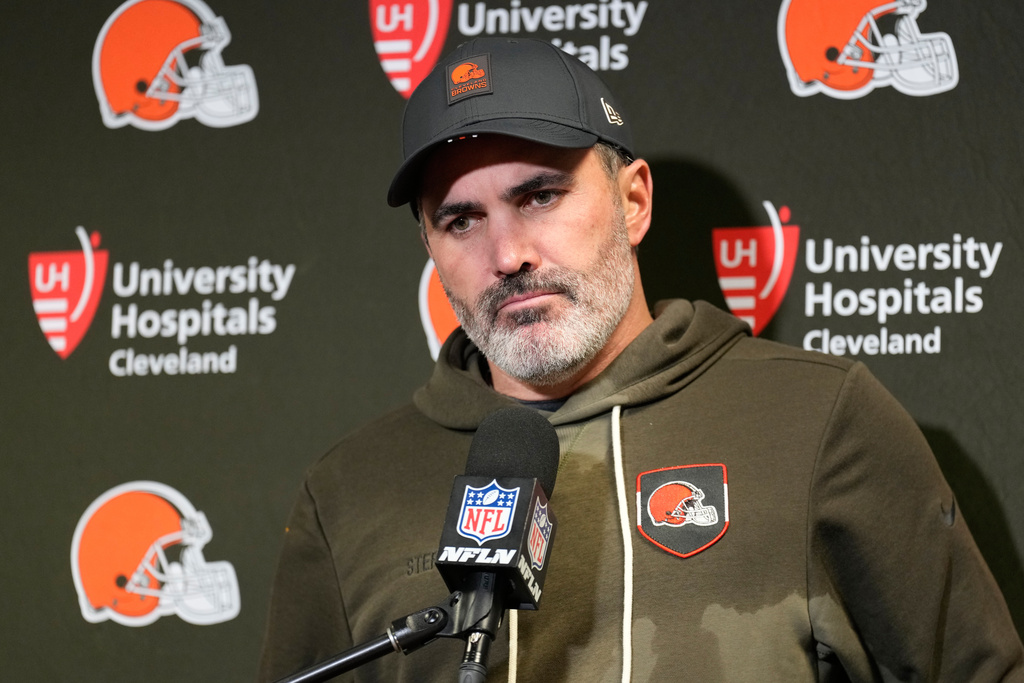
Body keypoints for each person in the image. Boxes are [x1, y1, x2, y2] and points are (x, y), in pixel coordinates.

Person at [258, 37, 1023, 682]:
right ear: (430, 246)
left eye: (540, 197)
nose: (508, 254)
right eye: (462, 219)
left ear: (633, 201)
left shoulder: (818, 420)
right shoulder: (347, 490)